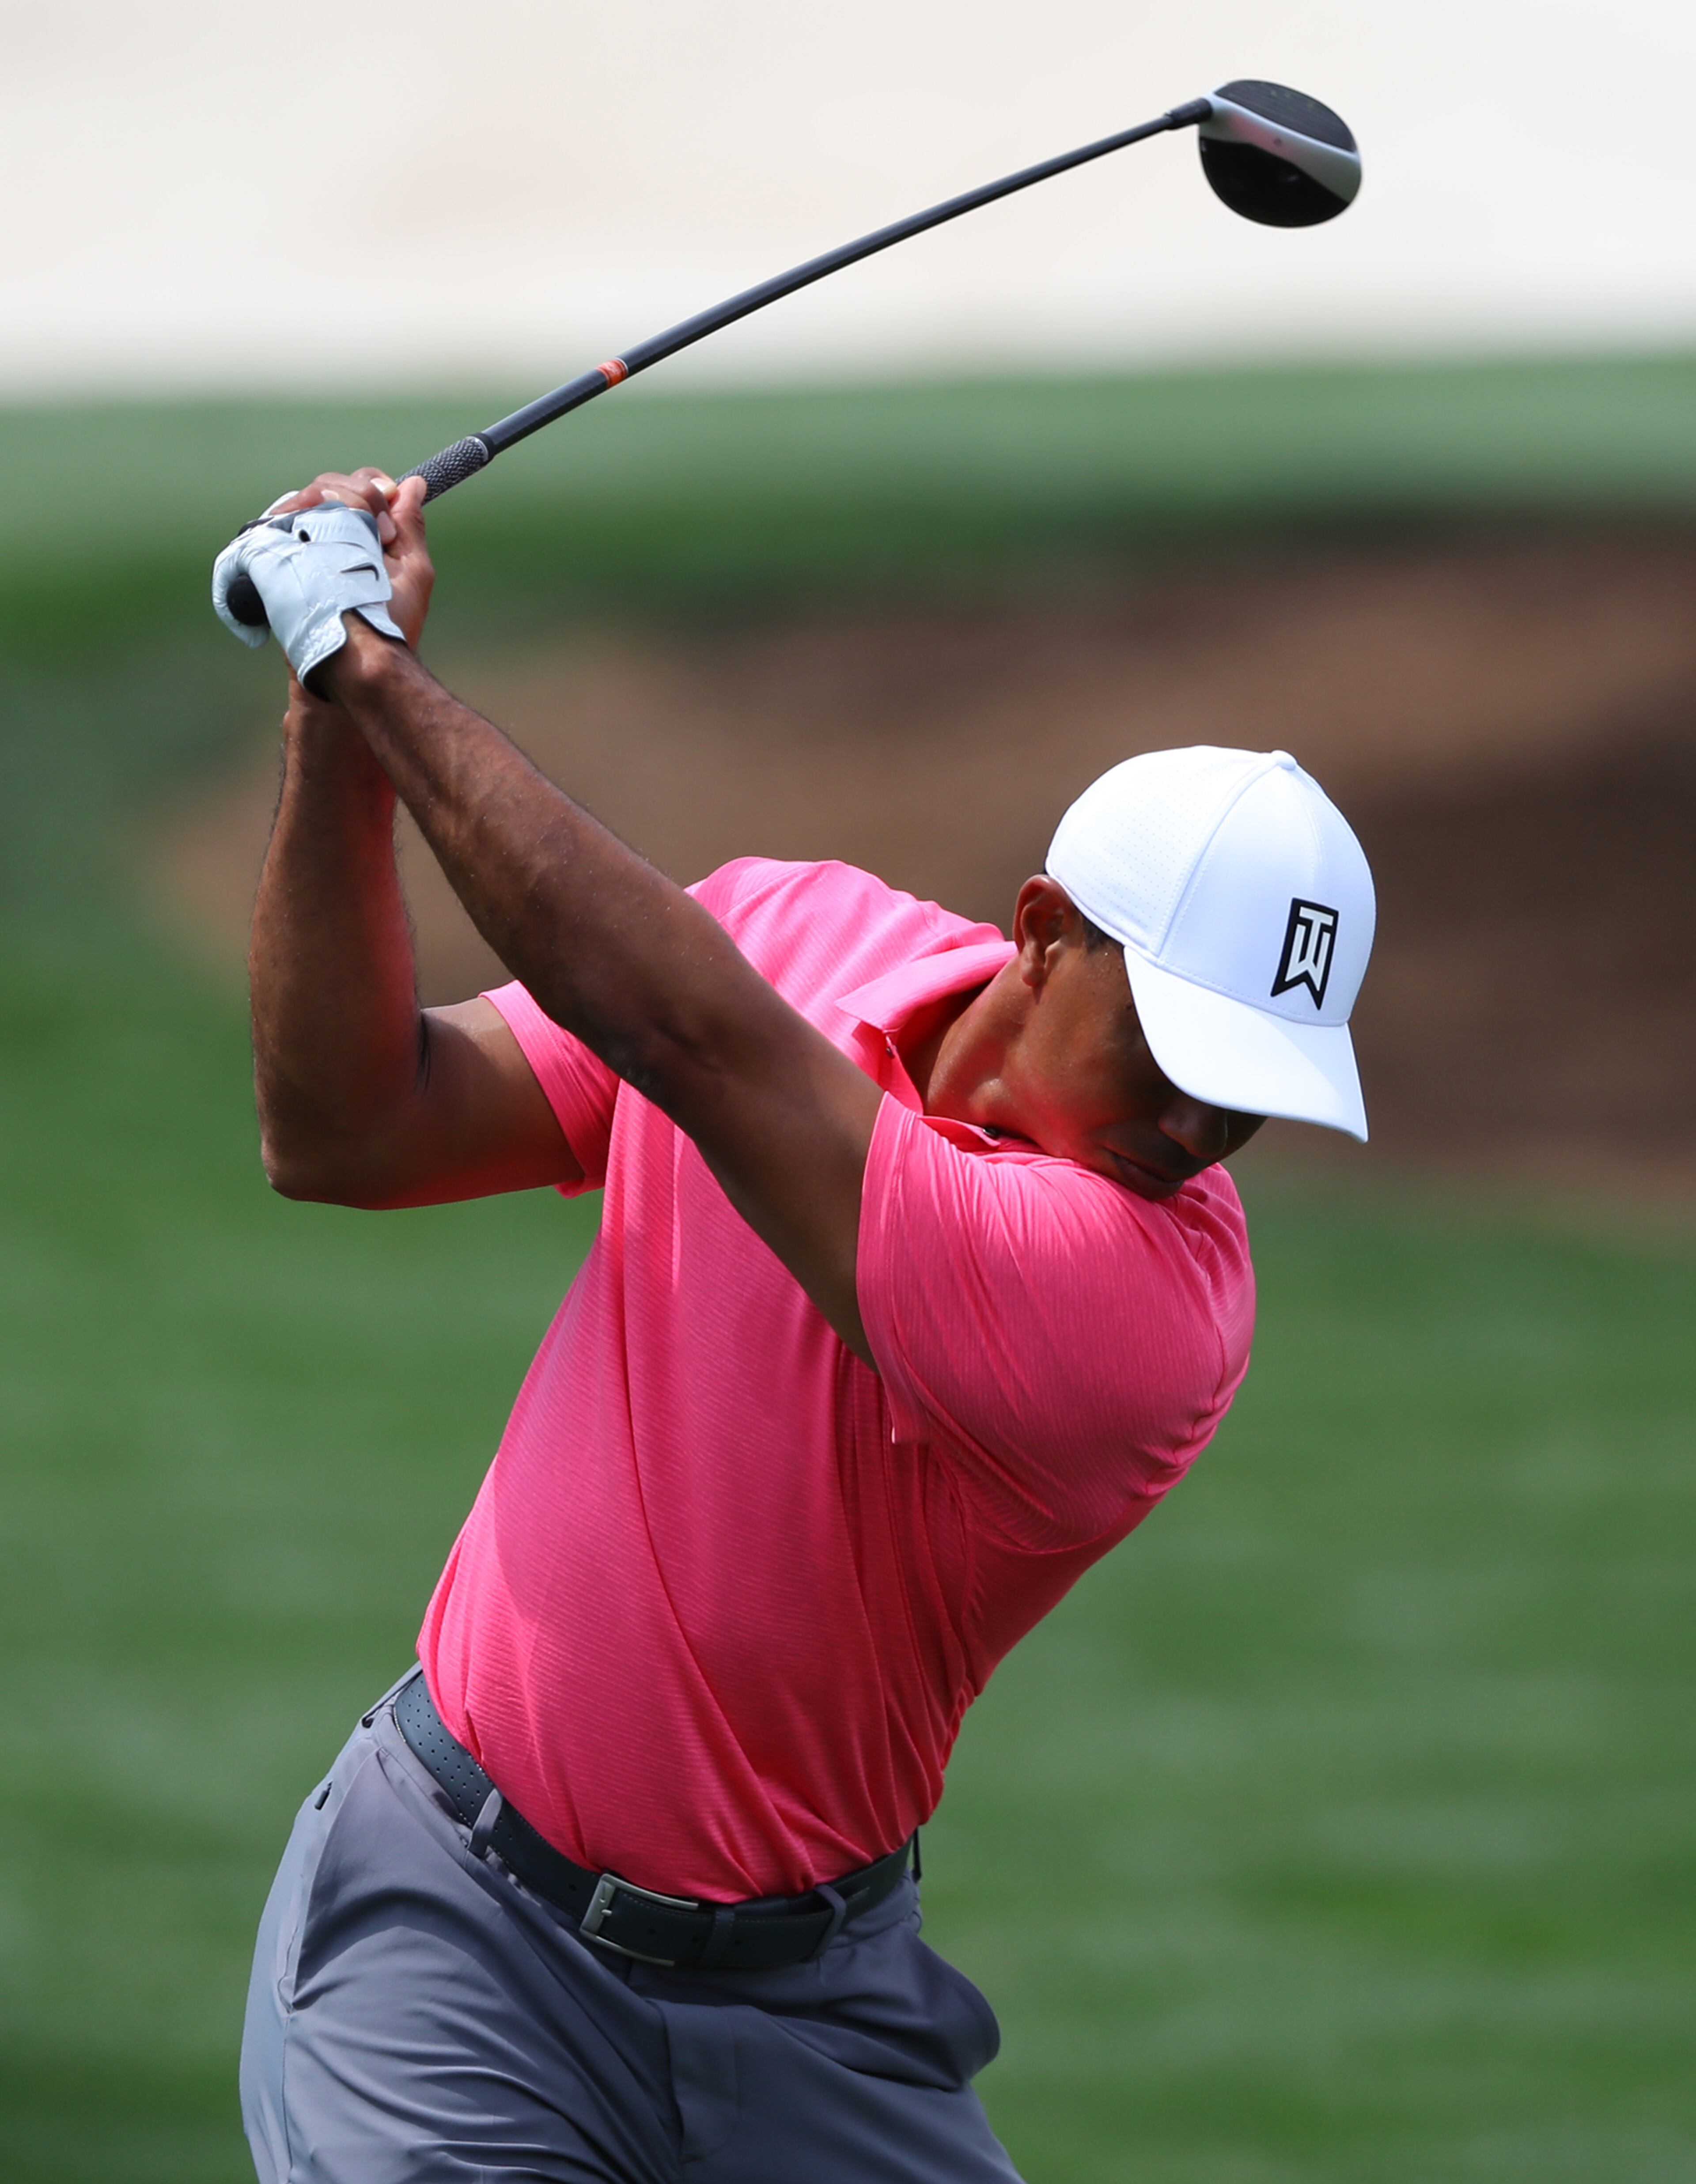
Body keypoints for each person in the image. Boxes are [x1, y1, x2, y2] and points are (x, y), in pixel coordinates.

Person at [214, 466, 1376, 2184]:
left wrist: (371, 662)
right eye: (1182, 1063)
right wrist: (333, 720)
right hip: (454, 1943)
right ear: (1044, 936)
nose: (1205, 1134)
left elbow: (699, 1039)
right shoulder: (797, 930)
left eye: (1252, 1099)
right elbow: (349, 1124)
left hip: (815, 2018)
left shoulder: (1148, 1308)